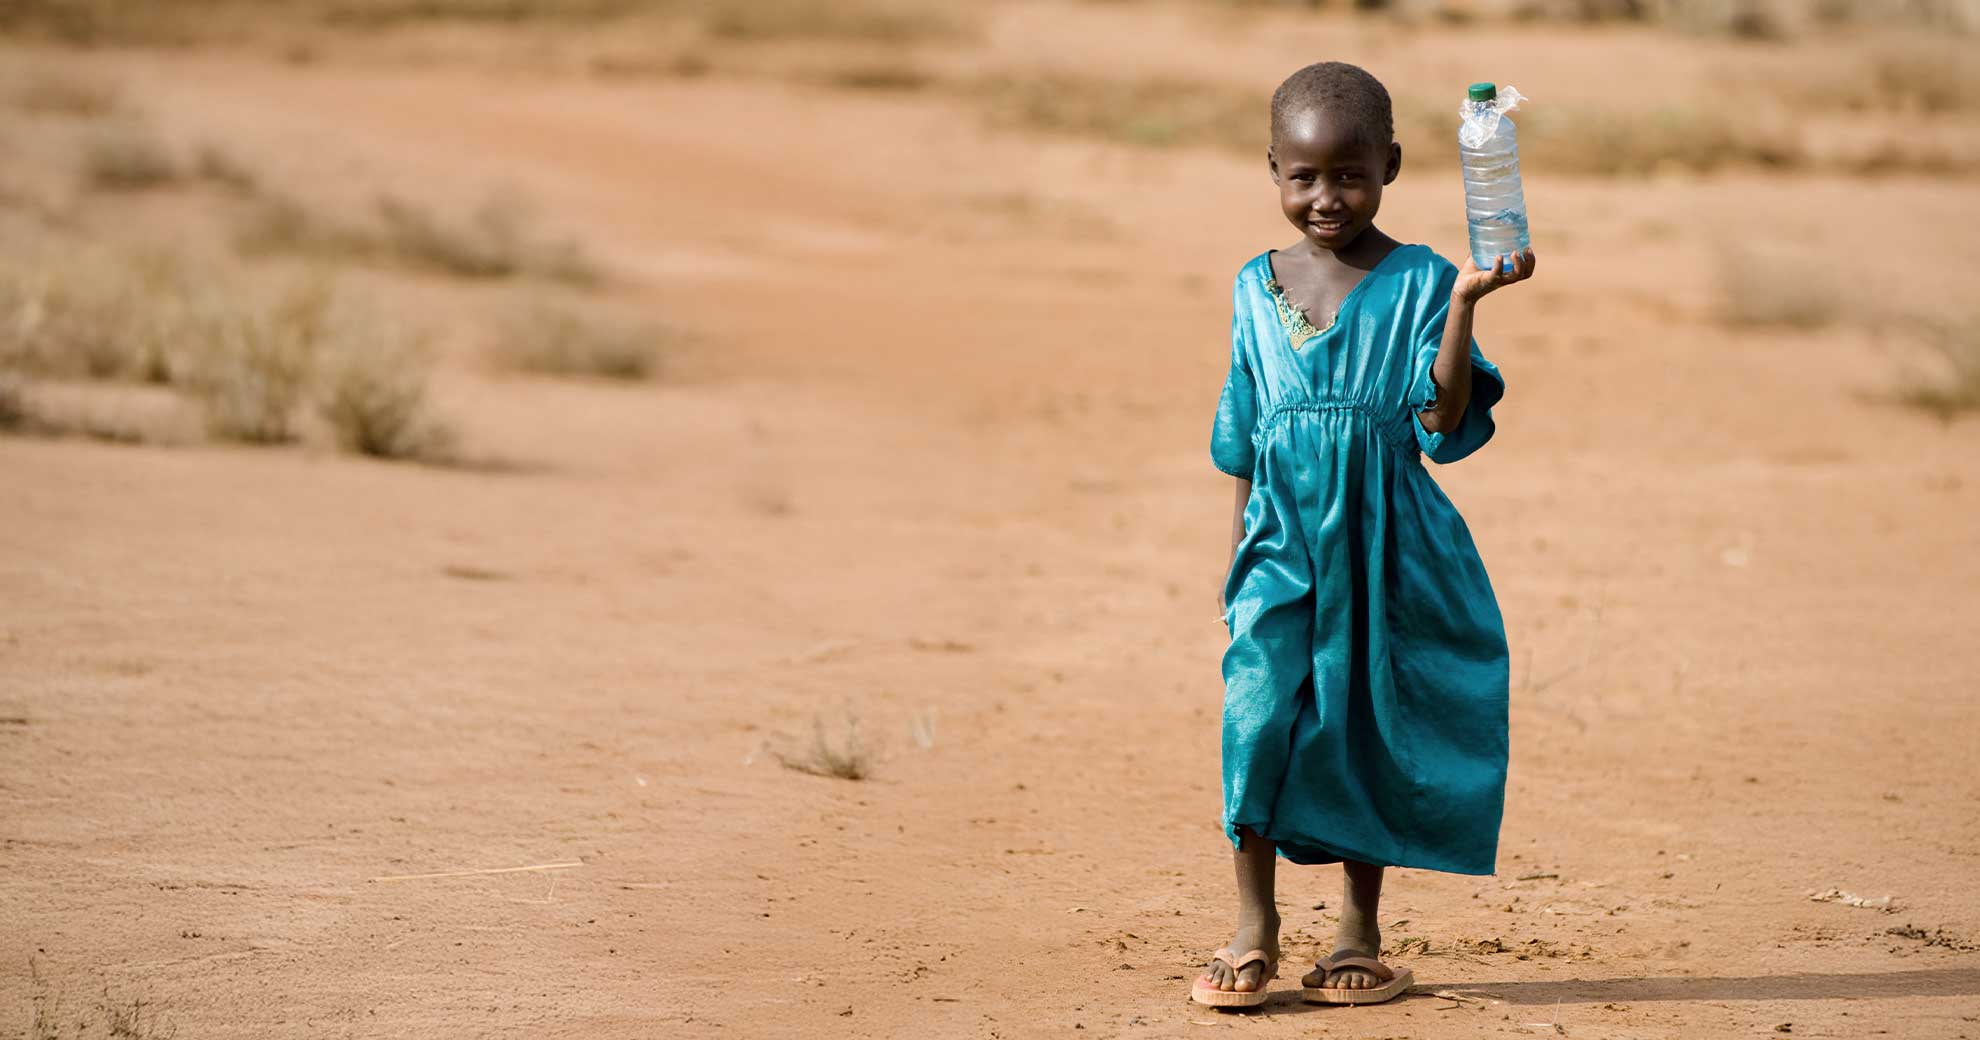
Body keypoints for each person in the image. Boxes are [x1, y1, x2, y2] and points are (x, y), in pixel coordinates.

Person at [1192, 60, 1536, 1009]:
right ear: (1272, 171)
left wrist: (1464, 305)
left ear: (1390, 164)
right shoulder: (1252, 287)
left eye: (1350, 174)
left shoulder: (1425, 278)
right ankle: (1252, 924)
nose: (1326, 198)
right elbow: (1245, 440)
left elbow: (1441, 415)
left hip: (1387, 541)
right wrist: (1235, 564)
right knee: (1256, 714)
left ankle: (1358, 930)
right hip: (1280, 543)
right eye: (1303, 177)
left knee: (1364, 723)